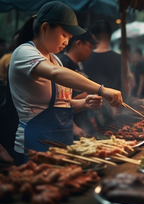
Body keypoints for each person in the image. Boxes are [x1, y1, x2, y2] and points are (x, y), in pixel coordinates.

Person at [7, 1, 122, 165]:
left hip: (63, 143)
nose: (67, 42)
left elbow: (60, 104)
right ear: (45, 28)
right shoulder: (25, 52)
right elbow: (56, 74)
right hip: (34, 145)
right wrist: (101, 89)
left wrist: (84, 103)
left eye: (69, 37)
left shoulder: (54, 59)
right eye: (64, 35)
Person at [58, 30, 98, 138]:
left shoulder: (77, 65)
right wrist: (73, 126)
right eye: (90, 46)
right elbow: (59, 101)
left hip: (83, 123)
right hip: (71, 128)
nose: (91, 51)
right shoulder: (63, 64)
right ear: (79, 44)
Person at [82, 20, 122, 127]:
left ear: (93, 37)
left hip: (92, 106)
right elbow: (128, 83)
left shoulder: (85, 58)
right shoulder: (120, 59)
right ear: (110, 36)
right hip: (116, 106)